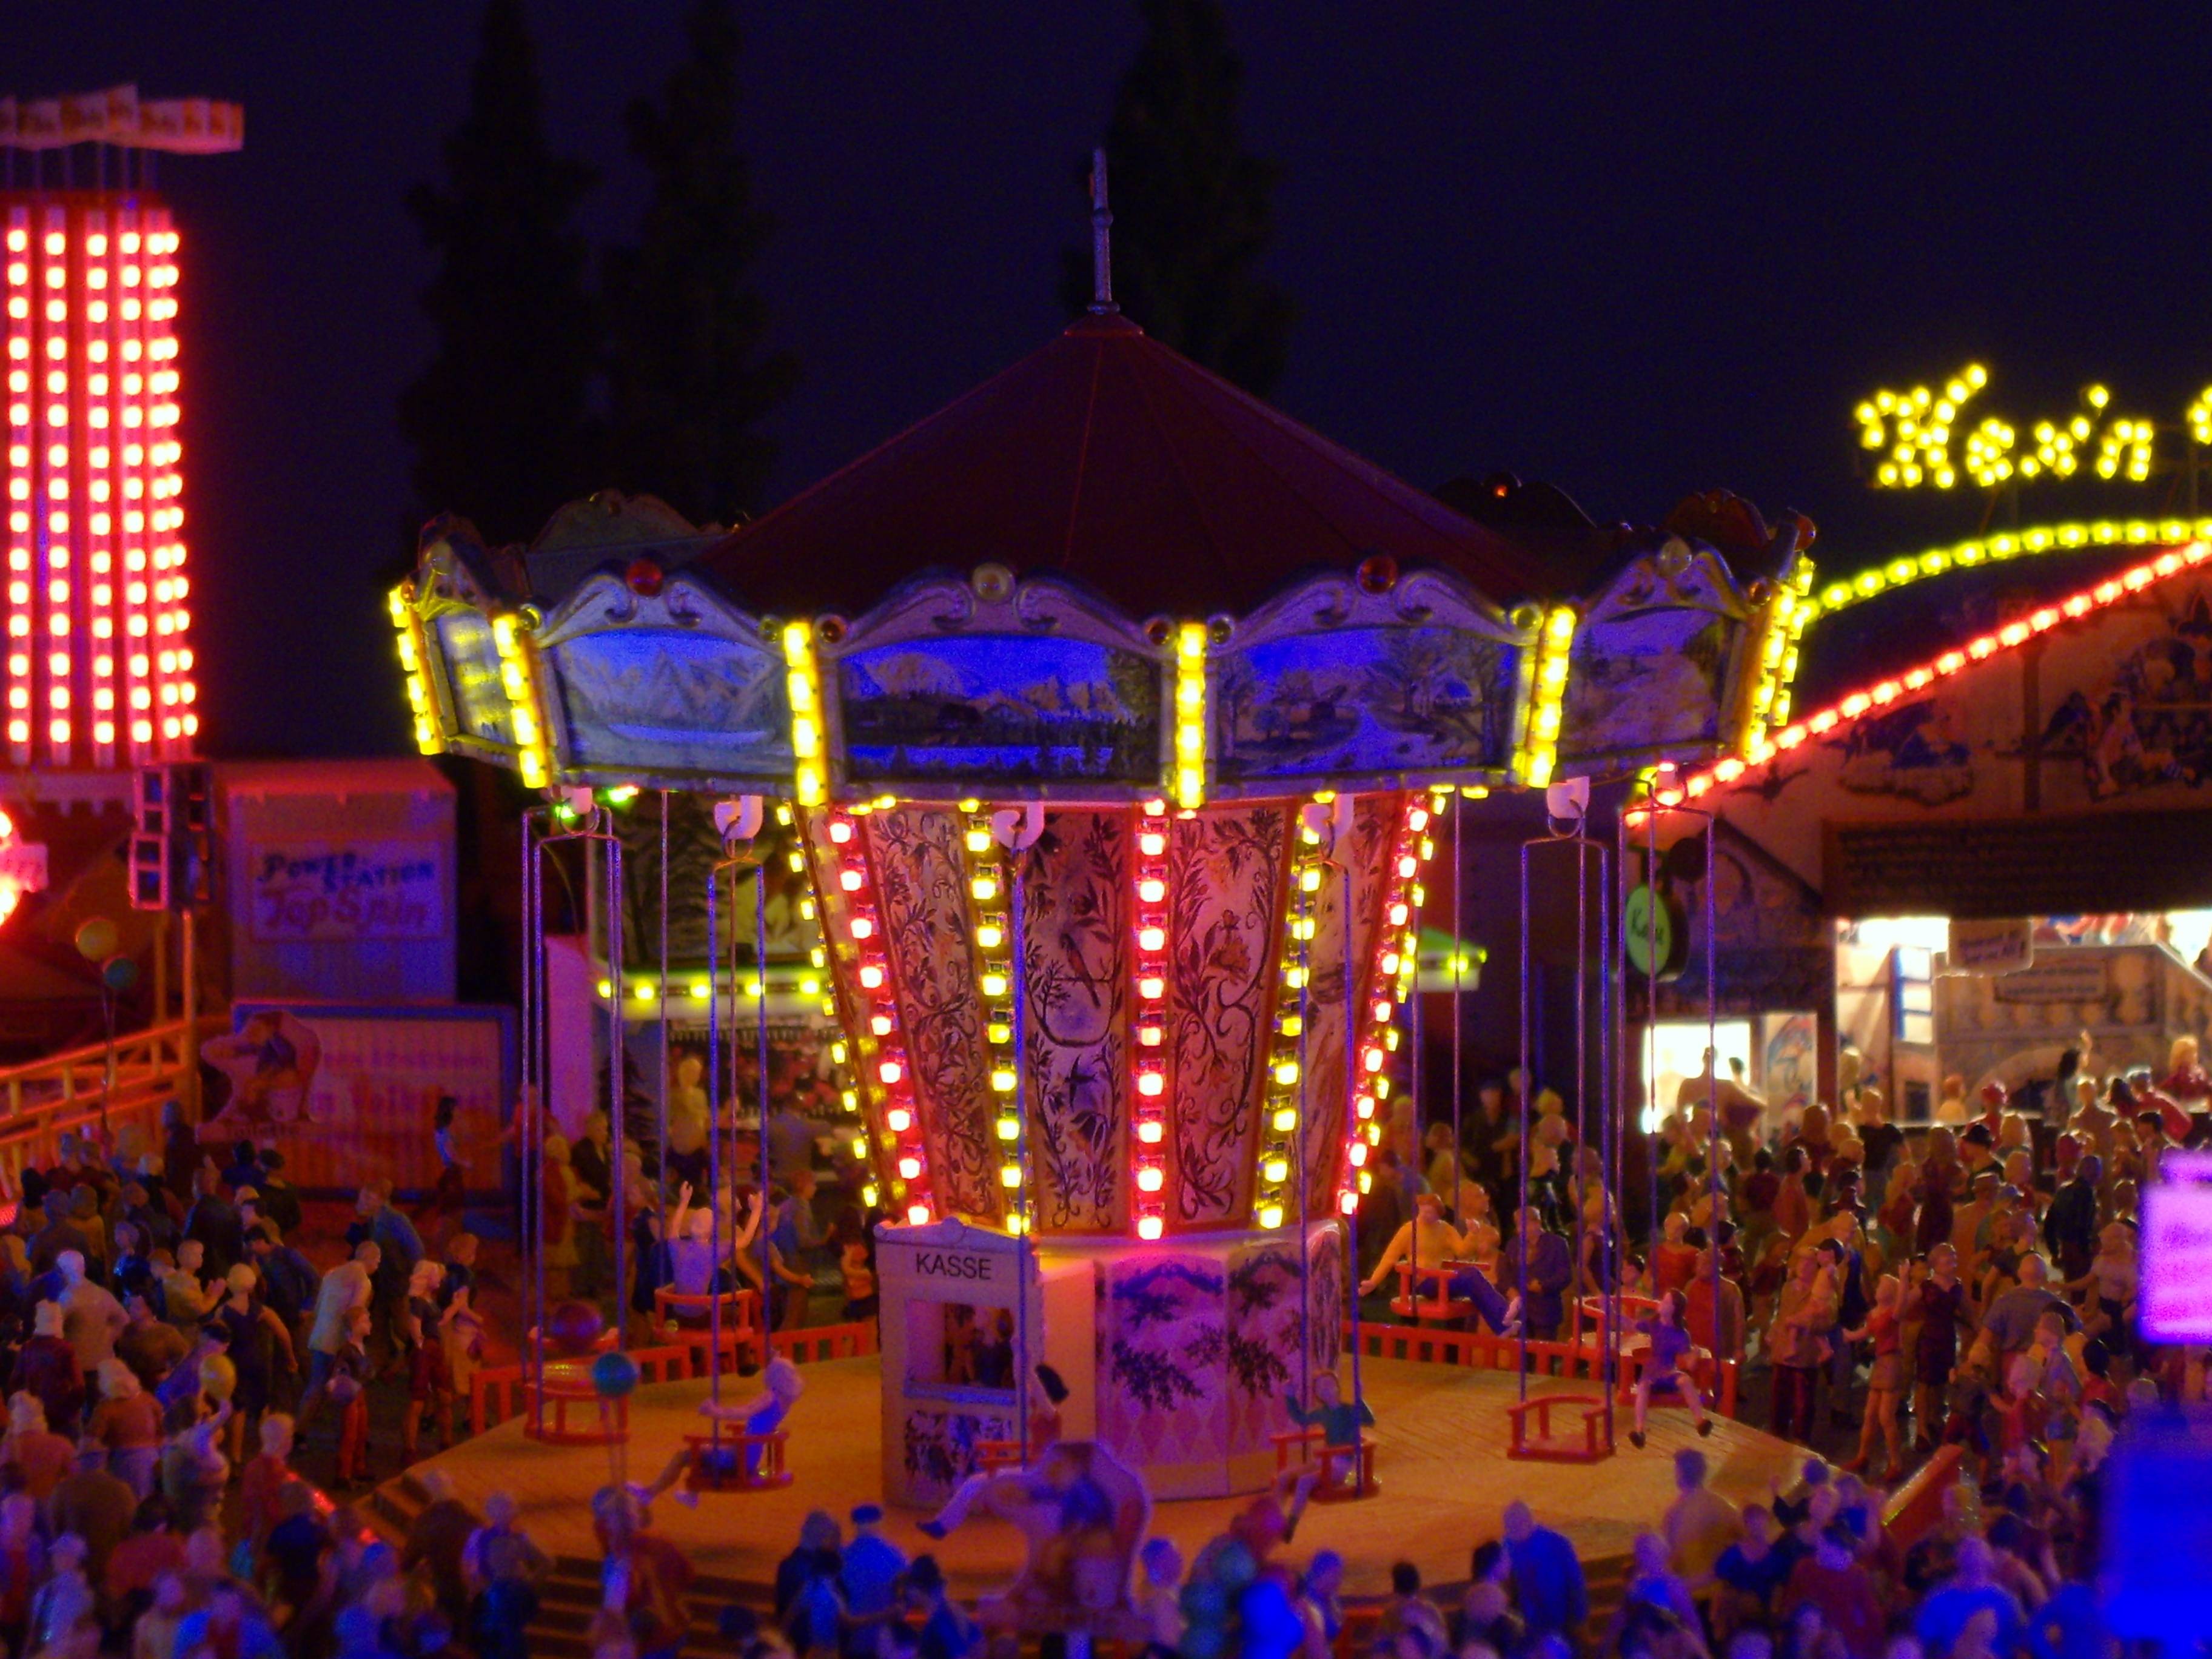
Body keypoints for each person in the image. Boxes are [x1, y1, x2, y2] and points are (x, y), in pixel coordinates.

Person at [299, 1241, 377, 1432]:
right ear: (369, 1259)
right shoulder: (363, 1281)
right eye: (378, 1261)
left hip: (320, 1335)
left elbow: (318, 1307)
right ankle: (300, 1433)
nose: (378, 1266)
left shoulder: (332, 1273)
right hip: (339, 1342)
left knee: (316, 1385)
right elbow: (355, 1316)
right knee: (343, 1391)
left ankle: (301, 1430)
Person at [1630, 1289, 1712, 1447]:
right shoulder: (1653, 1324)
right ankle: (1639, 1430)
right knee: (1643, 1387)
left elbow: (1690, 1364)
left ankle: (1700, 1421)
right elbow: (1632, 1325)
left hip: (1668, 1371)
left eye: (1666, 1302)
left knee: (1685, 1380)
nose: (1661, 1304)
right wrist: (1612, 1315)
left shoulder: (1681, 1334)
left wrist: (1695, 1354)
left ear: (1674, 1309)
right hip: (1652, 1372)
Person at [1503, 1500, 1586, 1644]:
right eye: (1509, 1527)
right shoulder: (1508, 1546)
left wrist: (1578, 1617)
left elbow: (1575, 1582)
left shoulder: (1557, 1543)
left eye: (1514, 1526)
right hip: (1531, 1623)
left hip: (1561, 1618)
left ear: (1527, 1521)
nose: (1511, 1532)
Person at [1664, 1446, 1741, 1588]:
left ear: (1680, 1473)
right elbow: (1743, 1539)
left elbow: (1670, 1558)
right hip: (1718, 1588)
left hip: (1689, 1591)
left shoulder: (1674, 1513)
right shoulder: (1723, 1506)